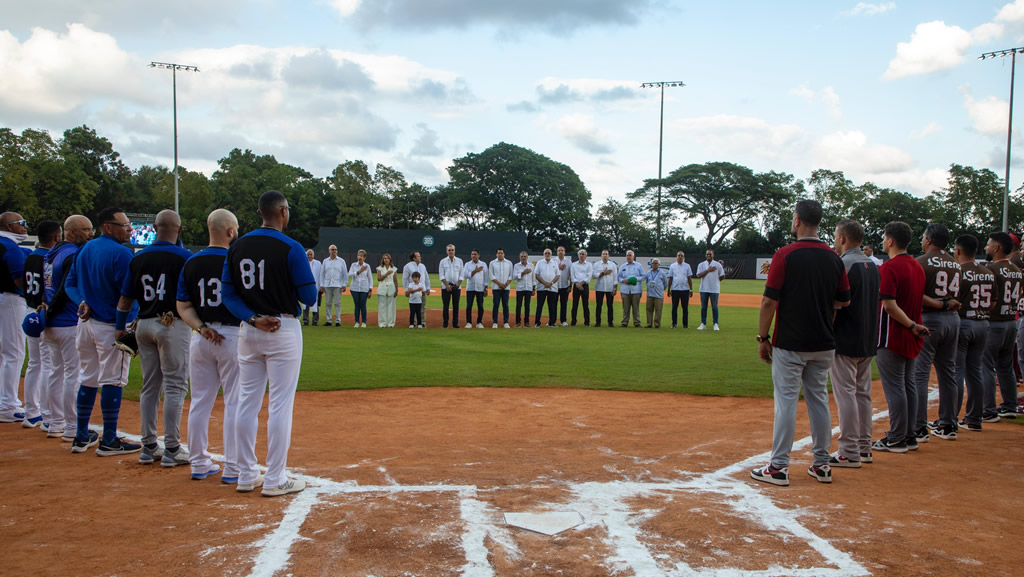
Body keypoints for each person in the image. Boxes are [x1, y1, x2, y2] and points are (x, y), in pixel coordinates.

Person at [221, 190, 317, 497]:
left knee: (245, 402)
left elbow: (228, 294)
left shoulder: (237, 246)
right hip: (283, 328)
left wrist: (252, 318)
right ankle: (275, 478)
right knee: (280, 405)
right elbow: (309, 297)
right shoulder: (291, 247)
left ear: (260, 212)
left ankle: (246, 474)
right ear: (284, 212)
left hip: (248, 330)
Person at [751, 200, 850, 487]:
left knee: (786, 403)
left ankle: (779, 467)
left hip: (790, 342)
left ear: (797, 221)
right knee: (818, 400)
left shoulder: (785, 255)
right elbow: (843, 300)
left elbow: (769, 300)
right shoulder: (834, 258)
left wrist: (763, 338)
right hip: (823, 342)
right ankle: (821, 464)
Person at [116, 209, 194, 466]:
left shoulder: (138, 257)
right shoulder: (184, 257)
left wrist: (120, 327)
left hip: (144, 324)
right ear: (179, 229)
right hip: (172, 324)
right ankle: (172, 448)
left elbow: (126, 298)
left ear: (155, 228)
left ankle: (149, 445)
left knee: (150, 386)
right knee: (175, 385)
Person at [64, 207, 141, 455]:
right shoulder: (121, 254)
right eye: (124, 224)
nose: (129, 229)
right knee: (113, 380)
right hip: (110, 325)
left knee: (87, 378)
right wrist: (125, 326)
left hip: (85, 324)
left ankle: (81, 435)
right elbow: (127, 296)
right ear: (108, 227)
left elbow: (70, 283)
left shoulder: (85, 248)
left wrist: (81, 301)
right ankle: (109, 440)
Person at [176, 209, 241, 481]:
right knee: (235, 403)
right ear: (230, 231)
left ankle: (199, 464)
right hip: (233, 337)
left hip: (201, 337)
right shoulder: (236, 260)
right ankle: (235, 468)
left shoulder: (191, 262)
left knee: (200, 402)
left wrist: (202, 328)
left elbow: (183, 305)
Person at [872, 221, 929, 454]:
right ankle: (909, 435)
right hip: (912, 335)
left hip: (893, 335)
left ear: (891, 240)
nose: (884, 241)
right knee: (908, 385)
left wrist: (910, 324)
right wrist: (914, 325)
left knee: (895, 386)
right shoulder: (917, 266)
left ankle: (897, 437)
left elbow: (889, 306)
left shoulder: (889, 268)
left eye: (885, 237)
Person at [828, 219, 880, 468]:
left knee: (846, 393)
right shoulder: (872, 265)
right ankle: (863, 446)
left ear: (843, 238)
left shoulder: (843, 264)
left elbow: (836, 304)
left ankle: (848, 449)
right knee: (862, 394)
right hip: (868, 338)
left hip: (846, 338)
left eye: (837, 236)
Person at [41, 215, 93, 441]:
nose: (91, 233)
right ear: (71, 232)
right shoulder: (71, 253)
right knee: (73, 374)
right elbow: (65, 290)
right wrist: (53, 310)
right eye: (86, 229)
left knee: (56, 372)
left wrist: (47, 311)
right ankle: (72, 426)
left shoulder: (52, 253)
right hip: (67, 321)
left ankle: (55, 422)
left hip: (52, 323)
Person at [911, 224, 961, 441]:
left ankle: (919, 427)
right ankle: (949, 424)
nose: (922, 241)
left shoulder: (921, 262)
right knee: (948, 372)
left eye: (923, 237)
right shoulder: (955, 263)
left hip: (930, 318)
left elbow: (916, 294)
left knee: (920, 373)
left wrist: (939, 305)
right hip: (954, 320)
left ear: (929, 240)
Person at [21, 220, 60, 428]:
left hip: (29, 310)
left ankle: (31, 412)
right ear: (56, 237)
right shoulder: (48, 258)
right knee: (48, 364)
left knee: (34, 363)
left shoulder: (29, 257)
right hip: (43, 312)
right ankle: (46, 415)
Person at [952, 235, 993, 432]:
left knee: (957, 372)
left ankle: (950, 419)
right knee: (976, 371)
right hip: (983, 322)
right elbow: (993, 301)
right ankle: (975, 419)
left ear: (958, 251)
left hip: (963, 322)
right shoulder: (987, 271)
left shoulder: (958, 271)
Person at [982, 231, 1022, 421]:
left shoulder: (991, 269)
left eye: (989, 244)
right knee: (1006, 367)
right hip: (1010, 321)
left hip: (994, 321)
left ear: (996, 248)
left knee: (987, 366)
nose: (986, 248)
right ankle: (1010, 406)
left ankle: (988, 409)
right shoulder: (1016, 268)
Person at [0, 212, 28, 423]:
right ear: (9, 226)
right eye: (21, 223)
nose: (25, 227)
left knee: (3, 353)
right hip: (10, 299)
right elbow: (20, 281)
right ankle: (8, 405)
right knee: (14, 352)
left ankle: (4, 402)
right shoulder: (10, 247)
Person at [695, 249, 725, 331]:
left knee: (714, 307)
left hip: (714, 289)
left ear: (713, 255)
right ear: (705, 255)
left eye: (710, 254)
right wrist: (708, 270)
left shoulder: (718, 265)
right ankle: (703, 323)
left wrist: (717, 281)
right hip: (704, 288)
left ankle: (715, 323)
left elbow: (722, 275)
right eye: (707, 254)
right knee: (703, 307)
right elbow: (698, 275)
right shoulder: (701, 265)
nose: (709, 255)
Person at [320, 245, 347, 327]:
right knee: (328, 303)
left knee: (337, 303)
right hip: (327, 285)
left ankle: (338, 320)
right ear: (329, 251)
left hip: (337, 285)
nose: (334, 251)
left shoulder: (341, 261)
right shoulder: (325, 261)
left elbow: (345, 274)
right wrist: (321, 284)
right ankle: (329, 320)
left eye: (335, 249)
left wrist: (344, 284)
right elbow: (322, 274)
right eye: (332, 249)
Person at [402, 252, 429, 329]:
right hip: (412, 290)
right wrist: (406, 290)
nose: (420, 257)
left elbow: (426, 277)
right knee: (413, 307)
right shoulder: (407, 266)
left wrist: (428, 288)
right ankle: (413, 323)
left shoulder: (422, 266)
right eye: (418, 256)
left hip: (422, 290)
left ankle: (422, 322)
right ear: (414, 258)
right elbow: (405, 279)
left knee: (423, 306)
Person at [438, 244, 463, 329]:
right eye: (449, 250)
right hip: (446, 287)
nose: (451, 251)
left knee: (456, 306)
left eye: (452, 250)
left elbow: (461, 274)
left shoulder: (459, 261)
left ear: (454, 251)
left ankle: (455, 323)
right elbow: (441, 275)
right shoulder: (443, 261)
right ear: (446, 251)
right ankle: (445, 324)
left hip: (457, 286)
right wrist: (447, 285)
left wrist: (457, 285)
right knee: (446, 306)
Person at [617, 250, 644, 328]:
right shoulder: (622, 266)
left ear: (633, 256)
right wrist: (623, 280)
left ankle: (637, 322)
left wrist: (635, 279)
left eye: (630, 255)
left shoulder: (639, 266)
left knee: (636, 308)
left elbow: (643, 276)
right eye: (627, 255)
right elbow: (619, 277)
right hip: (625, 290)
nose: (628, 257)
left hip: (636, 290)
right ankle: (624, 322)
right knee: (625, 307)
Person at [667, 251, 693, 329]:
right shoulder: (672, 266)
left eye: (682, 256)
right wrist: (669, 289)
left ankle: (685, 324)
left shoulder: (687, 266)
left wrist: (691, 289)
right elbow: (670, 278)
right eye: (679, 255)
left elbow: (689, 278)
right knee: (674, 307)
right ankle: (674, 323)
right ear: (676, 257)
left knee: (685, 308)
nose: (680, 257)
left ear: (684, 257)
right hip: (675, 289)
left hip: (685, 289)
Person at [348, 250, 373, 328]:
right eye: (358, 255)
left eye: (361, 256)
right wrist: (358, 272)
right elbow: (349, 274)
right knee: (356, 305)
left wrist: (370, 289)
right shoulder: (353, 265)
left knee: (363, 305)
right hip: (354, 288)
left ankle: (364, 322)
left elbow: (370, 278)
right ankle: (357, 322)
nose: (359, 257)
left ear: (364, 258)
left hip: (364, 288)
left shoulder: (367, 266)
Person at [463, 250, 488, 328]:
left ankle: (479, 322)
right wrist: (475, 271)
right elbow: (465, 275)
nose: (473, 255)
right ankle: (469, 322)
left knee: (480, 306)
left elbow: (486, 277)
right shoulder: (467, 264)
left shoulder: (483, 264)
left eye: (475, 254)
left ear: (478, 255)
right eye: (472, 254)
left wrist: (485, 288)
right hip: (470, 288)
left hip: (480, 288)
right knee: (469, 306)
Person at [534, 249, 558, 328]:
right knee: (539, 306)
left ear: (551, 255)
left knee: (552, 306)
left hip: (552, 288)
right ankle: (537, 322)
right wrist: (544, 283)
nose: (547, 254)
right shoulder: (539, 263)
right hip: (541, 288)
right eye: (546, 253)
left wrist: (551, 283)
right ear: (543, 254)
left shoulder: (555, 263)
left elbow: (557, 275)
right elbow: (537, 275)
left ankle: (552, 322)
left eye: (549, 253)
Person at [592, 250, 616, 327]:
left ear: (609, 256)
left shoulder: (612, 265)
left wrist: (614, 288)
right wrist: (602, 273)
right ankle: (598, 322)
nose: (605, 255)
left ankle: (610, 322)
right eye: (603, 254)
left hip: (610, 288)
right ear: (601, 255)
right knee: (599, 306)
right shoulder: (596, 265)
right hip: (599, 288)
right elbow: (593, 275)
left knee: (610, 306)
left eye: (606, 254)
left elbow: (615, 277)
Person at [489, 248, 513, 328]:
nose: (500, 254)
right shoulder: (492, 263)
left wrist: (505, 284)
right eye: (498, 253)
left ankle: (506, 322)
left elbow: (511, 275)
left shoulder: (509, 263)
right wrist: (500, 284)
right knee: (496, 305)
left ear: (504, 254)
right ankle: (495, 322)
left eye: (501, 253)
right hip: (496, 288)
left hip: (506, 288)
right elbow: (491, 276)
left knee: (505, 305)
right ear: (496, 254)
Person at [643, 258, 669, 328]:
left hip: (658, 295)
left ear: (659, 265)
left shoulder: (662, 273)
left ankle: (657, 324)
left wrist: (660, 289)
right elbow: (647, 282)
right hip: (650, 294)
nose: (654, 265)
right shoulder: (648, 273)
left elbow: (666, 284)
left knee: (658, 310)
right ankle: (649, 324)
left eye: (656, 263)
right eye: (653, 263)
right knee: (649, 309)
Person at [570, 249, 593, 327]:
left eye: (583, 254)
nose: (581, 255)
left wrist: (581, 284)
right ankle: (573, 322)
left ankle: (587, 322)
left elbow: (589, 276)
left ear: (586, 256)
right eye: (580, 254)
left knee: (585, 305)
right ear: (578, 255)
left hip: (585, 286)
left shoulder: (589, 265)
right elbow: (572, 276)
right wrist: (577, 284)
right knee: (574, 305)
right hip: (576, 286)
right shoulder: (573, 265)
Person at [513, 252, 535, 327]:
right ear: (520, 257)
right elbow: (514, 277)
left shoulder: (531, 265)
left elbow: (533, 278)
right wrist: (523, 273)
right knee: (518, 305)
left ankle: (526, 322)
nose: (523, 258)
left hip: (528, 288)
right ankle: (518, 322)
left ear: (527, 257)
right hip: (520, 288)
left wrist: (534, 288)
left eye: (525, 256)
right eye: (522, 256)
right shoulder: (516, 266)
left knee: (527, 306)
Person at [376, 254, 398, 328]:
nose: (386, 260)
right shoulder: (379, 268)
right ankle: (382, 323)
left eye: (387, 258)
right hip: (382, 288)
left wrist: (397, 290)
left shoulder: (394, 268)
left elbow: (395, 280)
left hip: (391, 288)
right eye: (385, 258)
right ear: (383, 260)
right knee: (382, 307)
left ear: (390, 260)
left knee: (391, 307)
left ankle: (391, 323)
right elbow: (379, 279)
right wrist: (386, 274)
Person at [301, 249, 321, 326]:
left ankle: (315, 320)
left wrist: (321, 285)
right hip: (305, 286)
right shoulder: (303, 263)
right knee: (305, 304)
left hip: (315, 286)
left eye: (311, 254)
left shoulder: (318, 263)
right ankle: (305, 320)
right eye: (308, 254)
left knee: (315, 303)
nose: (309, 256)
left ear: (313, 255)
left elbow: (320, 275)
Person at [555, 246, 572, 326]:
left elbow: (571, 274)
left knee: (564, 304)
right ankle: (552, 320)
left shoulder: (568, 262)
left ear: (564, 252)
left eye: (562, 250)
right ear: (557, 252)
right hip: (554, 286)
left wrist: (570, 286)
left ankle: (563, 320)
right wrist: (558, 267)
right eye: (559, 250)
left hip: (565, 285)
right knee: (553, 304)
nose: (560, 252)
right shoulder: (553, 261)